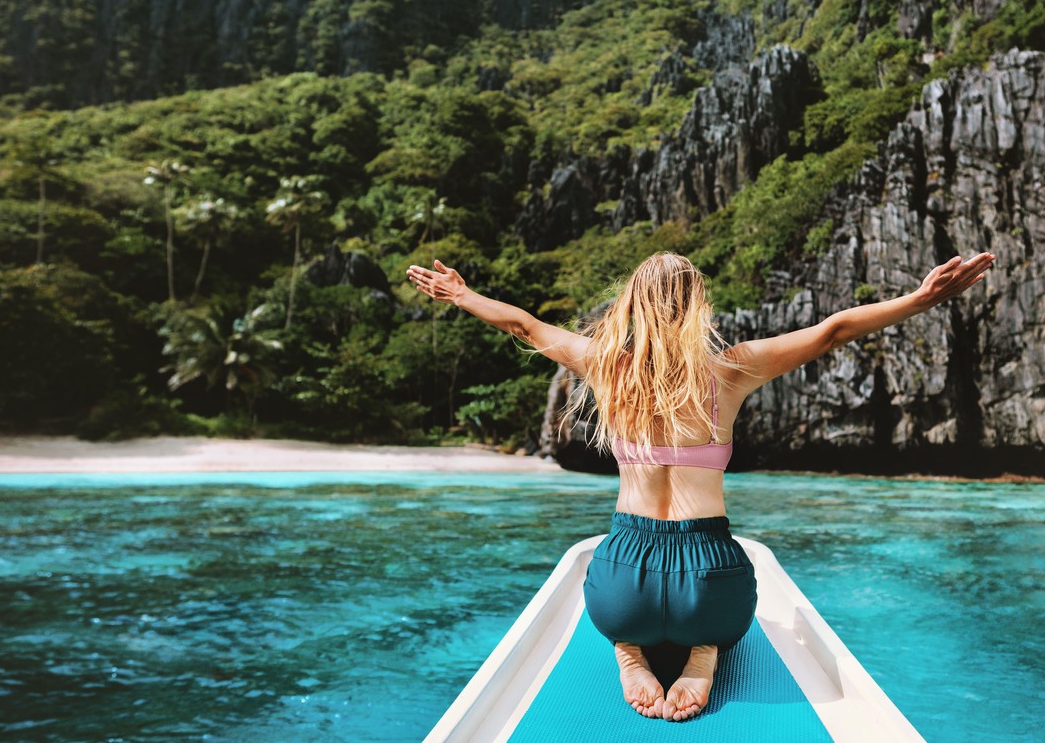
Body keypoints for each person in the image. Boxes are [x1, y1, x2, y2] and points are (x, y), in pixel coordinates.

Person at [406, 250, 994, 721]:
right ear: (697, 307)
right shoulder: (731, 369)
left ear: (632, 303)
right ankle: (704, 653)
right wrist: (920, 298)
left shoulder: (607, 365)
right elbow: (831, 330)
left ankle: (629, 650)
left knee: (603, 585)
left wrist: (461, 294)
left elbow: (524, 326)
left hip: (621, 589)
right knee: (726, 605)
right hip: (709, 583)